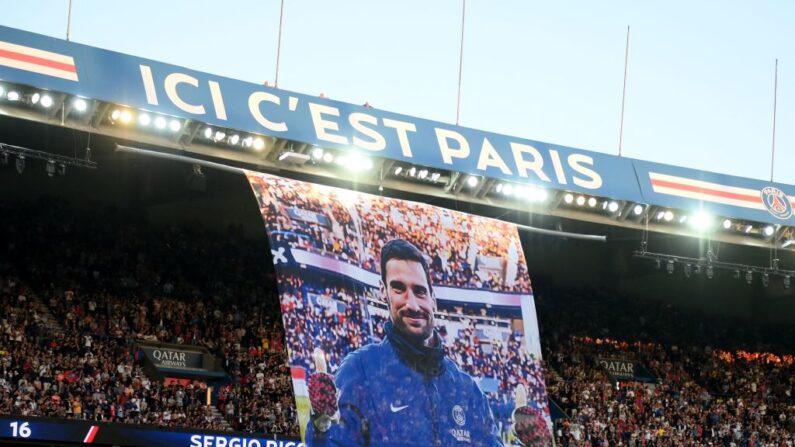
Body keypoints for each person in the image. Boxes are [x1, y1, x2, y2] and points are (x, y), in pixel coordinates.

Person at [306, 238, 504, 447]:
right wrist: (321, 429)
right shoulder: (361, 370)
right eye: (399, 289)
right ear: (384, 293)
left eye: (419, 291)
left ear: (432, 298)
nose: (412, 304)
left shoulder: (466, 389)